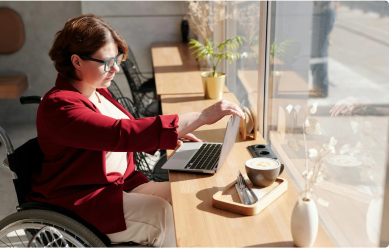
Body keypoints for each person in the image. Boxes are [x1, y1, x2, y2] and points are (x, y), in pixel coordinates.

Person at [27, 14, 245, 248]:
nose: (116, 69)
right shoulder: (59, 106)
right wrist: (201, 117)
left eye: (117, 59)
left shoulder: (96, 90)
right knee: (161, 214)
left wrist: (173, 134)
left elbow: (127, 127)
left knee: (184, 196)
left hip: (121, 184)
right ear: (77, 61)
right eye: (107, 62)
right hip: (84, 199)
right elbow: (120, 133)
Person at [310, 0, 337, 98]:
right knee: (316, 53)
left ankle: (321, 88)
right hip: (319, 13)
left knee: (319, 53)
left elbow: (336, 3)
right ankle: (318, 86)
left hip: (323, 14)